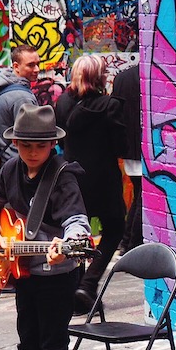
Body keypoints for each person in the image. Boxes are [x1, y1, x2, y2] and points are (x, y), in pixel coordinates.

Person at [0, 104, 91, 350]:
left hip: (57, 274)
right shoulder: (10, 169)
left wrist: (69, 244)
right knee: (27, 344)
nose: (32, 152)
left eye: (40, 146)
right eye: (25, 145)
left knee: (52, 347)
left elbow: (78, 225)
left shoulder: (64, 177)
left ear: (53, 145)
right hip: (25, 273)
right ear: (15, 142)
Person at [55, 54, 126, 314]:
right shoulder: (109, 106)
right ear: (99, 77)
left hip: (71, 178)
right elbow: (121, 146)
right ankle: (87, 284)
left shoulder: (62, 102)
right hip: (103, 180)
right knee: (115, 229)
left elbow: (60, 140)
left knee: (75, 230)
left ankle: (75, 288)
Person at [0, 45, 40, 165]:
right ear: (16, 66)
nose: (37, 69)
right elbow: (32, 137)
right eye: (31, 65)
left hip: (5, 161)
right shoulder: (22, 97)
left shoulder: (1, 86)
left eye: (38, 64)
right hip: (20, 164)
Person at [111, 64, 142, 255]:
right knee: (142, 196)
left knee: (139, 193)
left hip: (127, 145)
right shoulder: (150, 76)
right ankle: (131, 243)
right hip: (143, 147)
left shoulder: (121, 78)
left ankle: (127, 240)